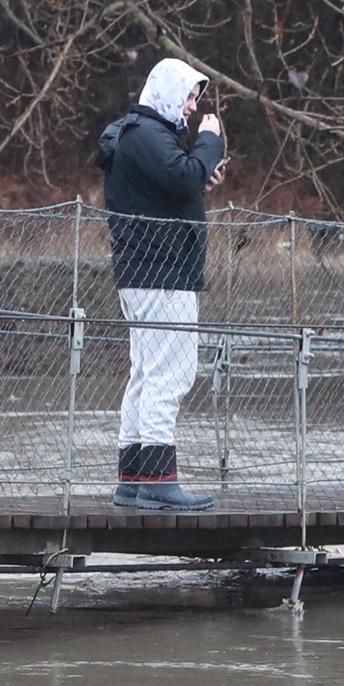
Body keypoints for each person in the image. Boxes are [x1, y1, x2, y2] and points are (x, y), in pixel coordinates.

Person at [95, 57, 226, 508]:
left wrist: (197, 173)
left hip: (141, 273)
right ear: (170, 93)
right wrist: (210, 141)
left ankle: (133, 476)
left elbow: (174, 185)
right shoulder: (149, 134)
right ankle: (158, 482)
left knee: (146, 373)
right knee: (171, 375)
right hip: (162, 273)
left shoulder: (136, 135)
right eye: (190, 96)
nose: (192, 107)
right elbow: (184, 174)